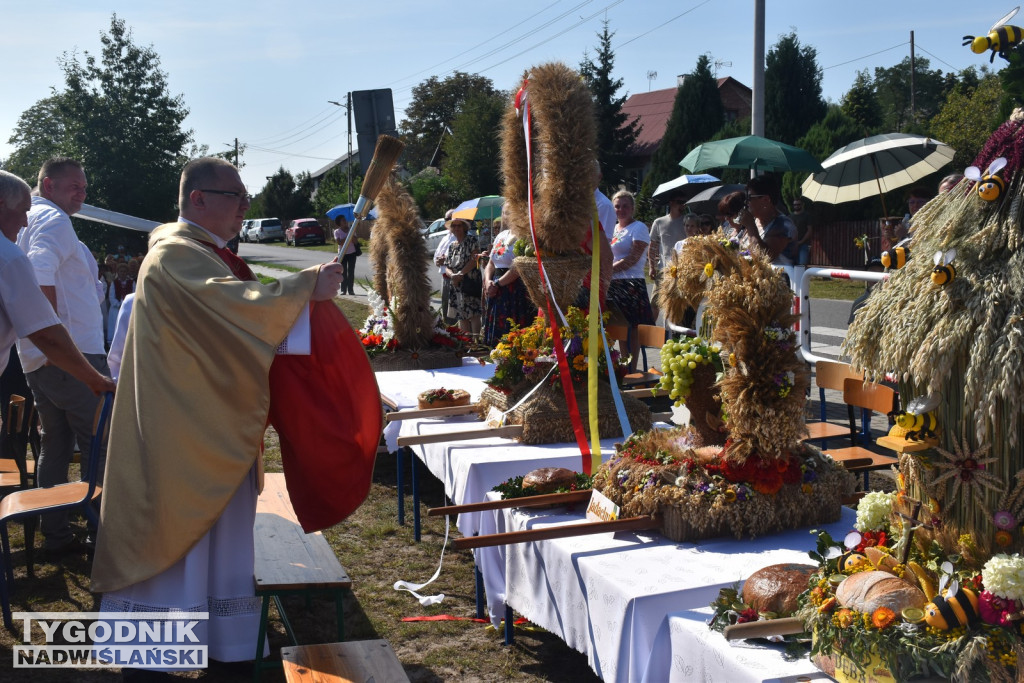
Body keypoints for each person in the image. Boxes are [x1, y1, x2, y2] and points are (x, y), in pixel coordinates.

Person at [91, 157, 345, 674]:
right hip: (182, 441)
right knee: (177, 553)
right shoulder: (177, 257)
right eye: (236, 197)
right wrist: (303, 287)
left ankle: (221, 651)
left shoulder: (202, 255)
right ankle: (154, 661)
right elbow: (239, 309)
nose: (245, 209)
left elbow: (230, 326)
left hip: (206, 428)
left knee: (217, 557)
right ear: (198, 198)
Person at [16, 157, 112, 557]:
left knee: (55, 445)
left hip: (40, 357)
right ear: (47, 184)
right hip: (71, 356)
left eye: (84, 186)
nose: (82, 192)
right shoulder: (54, 221)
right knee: (100, 444)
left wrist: (43, 347)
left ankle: (56, 533)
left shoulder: (30, 221)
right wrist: (57, 347)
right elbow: (40, 275)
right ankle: (100, 534)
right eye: (73, 185)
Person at [0, 170, 113, 423]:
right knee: (98, 440)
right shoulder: (9, 254)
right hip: (66, 355)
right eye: (22, 212)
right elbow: (44, 331)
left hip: (31, 360)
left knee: (54, 443)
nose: (25, 223)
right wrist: (94, 378)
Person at [606, 190, 654, 373]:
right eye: (617, 206)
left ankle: (632, 370)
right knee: (619, 330)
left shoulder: (639, 227)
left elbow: (633, 258)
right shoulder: (613, 228)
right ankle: (623, 367)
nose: (621, 209)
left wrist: (607, 270)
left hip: (631, 283)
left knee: (633, 329)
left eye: (625, 206)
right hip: (614, 284)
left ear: (632, 208)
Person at [482, 218, 533, 345]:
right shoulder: (501, 235)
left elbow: (519, 266)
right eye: (505, 212)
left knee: (512, 329)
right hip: (495, 287)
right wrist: (488, 281)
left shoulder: (525, 235)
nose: (507, 216)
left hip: (513, 288)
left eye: (510, 212)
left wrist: (498, 283)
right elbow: (491, 262)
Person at [730, 175, 797, 267]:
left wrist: (750, 226)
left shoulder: (783, 225)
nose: (746, 202)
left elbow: (763, 257)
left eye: (750, 198)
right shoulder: (755, 221)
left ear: (766, 200)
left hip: (778, 280)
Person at [444, 217, 483, 335]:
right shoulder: (451, 246)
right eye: (454, 226)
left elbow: (474, 260)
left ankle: (476, 341)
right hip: (456, 284)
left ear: (464, 227)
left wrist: (460, 274)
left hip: (470, 282)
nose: (456, 228)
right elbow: (446, 266)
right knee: (461, 314)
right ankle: (467, 342)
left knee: (473, 313)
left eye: (459, 225)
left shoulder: (472, 240)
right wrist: (453, 276)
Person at [648, 196, 689, 284]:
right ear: (671, 203)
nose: (683, 205)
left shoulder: (688, 222)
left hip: (682, 269)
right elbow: (652, 246)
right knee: (656, 297)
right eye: (680, 202)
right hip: (663, 268)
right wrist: (651, 267)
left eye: (684, 202)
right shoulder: (659, 222)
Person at [434, 209, 458, 324]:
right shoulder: (445, 237)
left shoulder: (460, 237)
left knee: (454, 310)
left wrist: (445, 261)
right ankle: (448, 331)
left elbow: (461, 257)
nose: (448, 221)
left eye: (450, 218)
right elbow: (436, 256)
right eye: (446, 219)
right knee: (445, 308)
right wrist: (438, 261)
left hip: (455, 277)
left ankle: (456, 333)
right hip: (444, 277)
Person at [106, 261, 133, 344]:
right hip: (116, 309)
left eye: (124, 271)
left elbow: (134, 294)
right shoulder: (114, 283)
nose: (123, 273)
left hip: (128, 309)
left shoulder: (132, 282)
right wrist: (118, 304)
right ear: (118, 272)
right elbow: (111, 296)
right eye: (121, 271)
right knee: (115, 326)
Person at [333, 213, 358, 296]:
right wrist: (348, 236)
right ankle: (343, 290)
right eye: (343, 220)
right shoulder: (337, 232)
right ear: (339, 223)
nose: (345, 221)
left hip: (352, 253)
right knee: (343, 272)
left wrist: (352, 233)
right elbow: (339, 242)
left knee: (351, 272)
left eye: (345, 220)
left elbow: (355, 241)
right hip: (342, 254)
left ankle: (351, 290)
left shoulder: (351, 229)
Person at [791, 197, 814, 266]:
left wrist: (800, 242)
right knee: (791, 265)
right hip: (792, 245)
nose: (796, 206)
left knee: (802, 265)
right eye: (795, 205)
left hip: (804, 244)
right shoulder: (790, 216)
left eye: (798, 204)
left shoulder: (807, 216)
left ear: (802, 205)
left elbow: (809, 231)